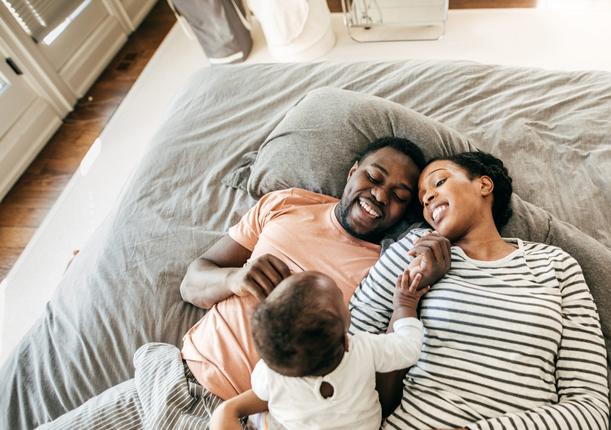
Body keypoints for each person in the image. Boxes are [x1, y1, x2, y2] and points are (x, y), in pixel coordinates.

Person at [40, 137, 440, 429]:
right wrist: (236, 277)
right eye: (373, 176)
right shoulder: (287, 204)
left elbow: (380, 372)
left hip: (248, 414)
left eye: (399, 195)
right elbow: (192, 283)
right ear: (352, 171)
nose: (379, 194)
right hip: (172, 379)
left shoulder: (385, 269)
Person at [349, 151, 610, 429]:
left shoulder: (556, 264)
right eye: (421, 197)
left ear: (484, 185)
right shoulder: (415, 248)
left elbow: (589, 411)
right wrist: (408, 303)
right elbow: (345, 357)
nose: (426, 198)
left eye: (438, 182)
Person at [210, 270, 427, 430]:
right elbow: (408, 348)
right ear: (345, 341)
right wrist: (404, 305)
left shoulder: (268, 374)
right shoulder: (363, 348)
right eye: (340, 297)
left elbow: (260, 392)